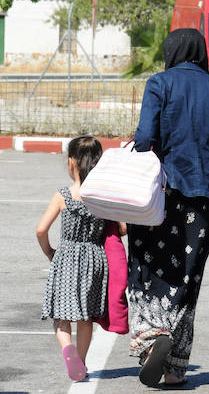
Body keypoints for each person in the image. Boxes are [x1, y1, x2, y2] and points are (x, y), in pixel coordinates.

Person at [129, 28, 209, 387]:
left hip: (160, 200)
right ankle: (175, 368)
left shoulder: (159, 84)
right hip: (205, 204)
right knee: (187, 279)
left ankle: (152, 339)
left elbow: (145, 140)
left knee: (147, 266)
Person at [36, 136, 126, 381]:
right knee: (86, 316)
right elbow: (123, 228)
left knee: (61, 315)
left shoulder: (63, 195)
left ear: (72, 163)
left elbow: (41, 229)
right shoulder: (102, 196)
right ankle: (82, 362)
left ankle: (68, 350)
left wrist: (50, 252)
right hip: (95, 258)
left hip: (66, 256)